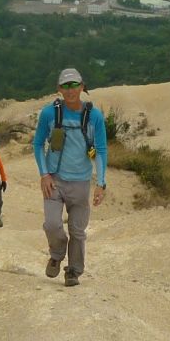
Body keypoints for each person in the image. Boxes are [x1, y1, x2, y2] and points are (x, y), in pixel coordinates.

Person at [32, 67, 107, 288]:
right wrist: (44, 174)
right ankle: (57, 253)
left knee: (77, 230)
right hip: (54, 180)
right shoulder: (49, 114)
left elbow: (101, 150)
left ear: (82, 87)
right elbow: (38, 144)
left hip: (81, 182)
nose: (70, 90)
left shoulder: (94, 116)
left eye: (74, 85)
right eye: (65, 86)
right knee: (52, 224)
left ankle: (73, 270)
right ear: (59, 88)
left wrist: (101, 183)